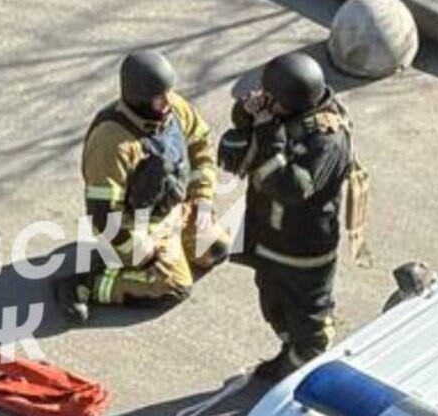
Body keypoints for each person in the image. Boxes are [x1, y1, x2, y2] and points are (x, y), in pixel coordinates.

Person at [56, 51, 226, 324]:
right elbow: (104, 216)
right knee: (174, 287)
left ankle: (170, 250)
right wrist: (144, 256)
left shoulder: (174, 108)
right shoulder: (112, 142)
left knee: (216, 249)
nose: (168, 101)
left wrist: (202, 201)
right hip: (135, 228)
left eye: (168, 92)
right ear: (140, 100)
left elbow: (201, 147)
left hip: (175, 210)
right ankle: (90, 281)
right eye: (160, 97)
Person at [217, 53, 353, 382]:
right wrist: (247, 114)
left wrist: (267, 133)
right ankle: (289, 353)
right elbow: (246, 136)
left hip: (303, 250)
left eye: (271, 99)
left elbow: (291, 187)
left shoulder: (327, 139)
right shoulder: (285, 112)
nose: (266, 102)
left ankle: (306, 370)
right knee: (274, 305)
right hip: (269, 239)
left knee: (309, 319)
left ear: (294, 102)